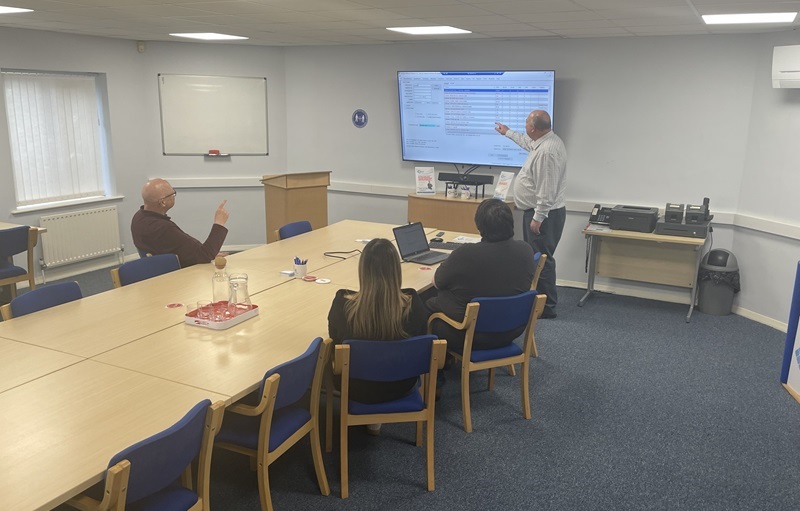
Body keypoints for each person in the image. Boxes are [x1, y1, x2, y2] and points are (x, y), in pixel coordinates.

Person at [327, 238, 430, 414]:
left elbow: (334, 342)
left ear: (362, 270)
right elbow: (420, 341)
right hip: (403, 385)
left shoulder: (342, 306)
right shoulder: (414, 305)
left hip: (357, 388)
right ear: (397, 271)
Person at [427, 199, 535, 352]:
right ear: (510, 223)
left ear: (479, 225)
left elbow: (437, 282)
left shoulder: (466, 254)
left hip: (471, 336)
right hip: (511, 331)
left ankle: (433, 366)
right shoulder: (526, 250)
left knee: (428, 303)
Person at [495, 110, 566, 319]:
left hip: (544, 215)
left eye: (526, 122)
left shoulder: (547, 152)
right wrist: (507, 133)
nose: (525, 125)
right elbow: (527, 143)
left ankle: (546, 308)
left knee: (541, 260)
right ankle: (540, 303)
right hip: (541, 213)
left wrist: (538, 217)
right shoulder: (544, 142)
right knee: (540, 258)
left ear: (533, 128)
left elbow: (547, 189)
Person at [131, 178, 229, 268]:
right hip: (178, 274)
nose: (174, 196)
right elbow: (204, 256)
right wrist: (219, 223)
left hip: (159, 269)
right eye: (173, 194)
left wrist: (205, 252)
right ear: (162, 202)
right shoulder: (163, 228)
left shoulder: (139, 217)